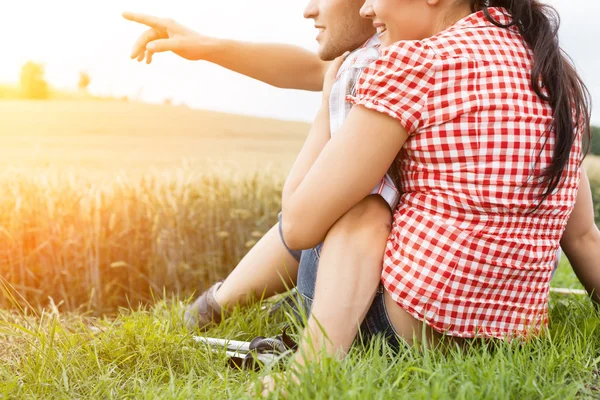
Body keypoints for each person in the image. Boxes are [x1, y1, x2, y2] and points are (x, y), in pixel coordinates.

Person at [123, 0, 600, 357]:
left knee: (360, 205)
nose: (369, 7)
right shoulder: (554, 74)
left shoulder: (413, 63)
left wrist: (328, 107)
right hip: (509, 335)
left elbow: (300, 222)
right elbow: (581, 236)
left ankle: (298, 349)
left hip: (404, 329)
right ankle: (255, 308)